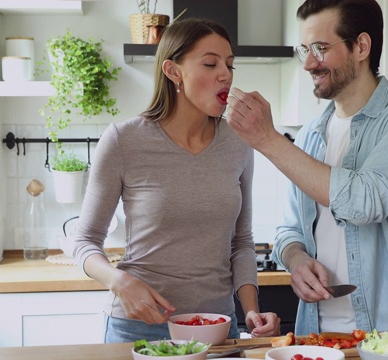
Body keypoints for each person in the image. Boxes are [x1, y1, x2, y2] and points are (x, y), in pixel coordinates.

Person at [225, 0, 388, 335]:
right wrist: (297, 260)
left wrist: (268, 139)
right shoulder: (310, 135)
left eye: (320, 48)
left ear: (361, 46)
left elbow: (364, 201)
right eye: (305, 49)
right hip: (317, 334)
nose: (308, 63)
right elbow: (289, 231)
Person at [73, 18, 281, 343]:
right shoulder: (123, 141)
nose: (225, 74)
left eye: (229, 65)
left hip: (216, 329)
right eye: (210, 64)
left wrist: (251, 310)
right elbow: (84, 241)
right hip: (138, 329)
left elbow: (240, 241)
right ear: (173, 71)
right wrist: (119, 281)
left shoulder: (238, 142)